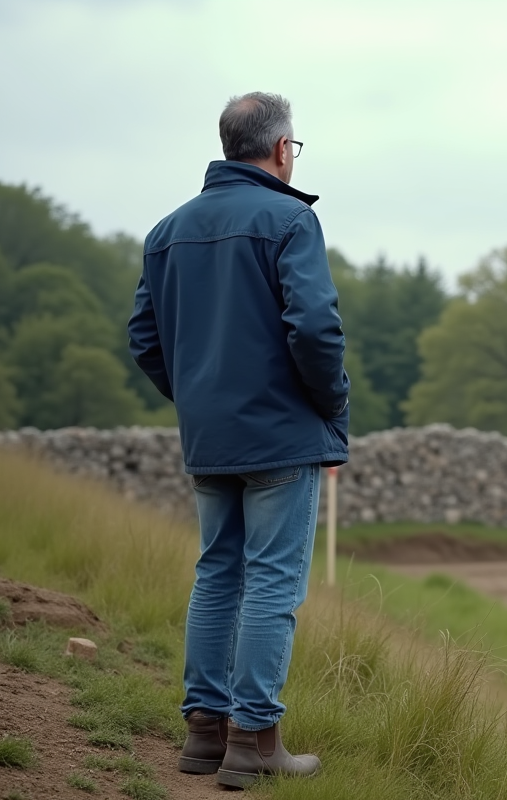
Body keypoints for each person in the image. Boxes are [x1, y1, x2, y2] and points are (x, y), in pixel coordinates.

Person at [128, 91, 349, 789]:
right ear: (281, 149)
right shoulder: (291, 219)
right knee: (272, 583)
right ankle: (254, 742)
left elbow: (144, 339)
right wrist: (330, 403)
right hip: (281, 437)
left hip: (211, 437)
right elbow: (315, 328)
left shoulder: (166, 231)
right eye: (295, 147)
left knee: (217, 573)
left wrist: (200, 400)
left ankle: (204, 733)